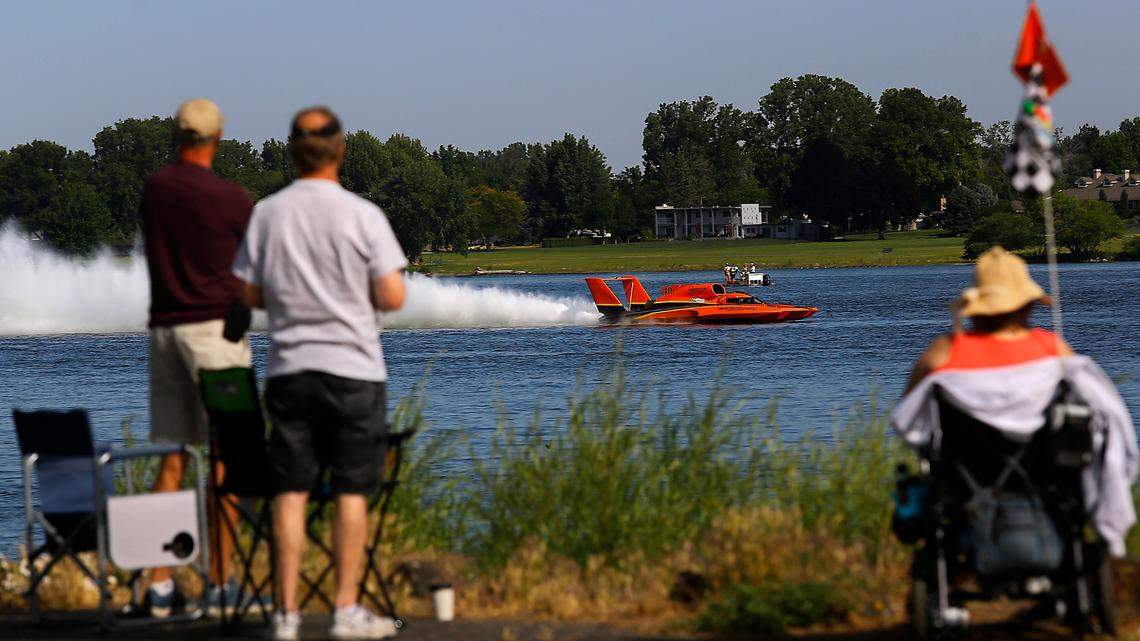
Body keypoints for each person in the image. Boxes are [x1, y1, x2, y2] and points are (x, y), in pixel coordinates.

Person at [233, 106, 408, 640]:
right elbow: (392, 295)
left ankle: (285, 616)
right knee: (352, 490)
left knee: (290, 490)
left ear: (291, 151)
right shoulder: (363, 215)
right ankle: (345, 609)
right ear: (341, 151)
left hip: (289, 370)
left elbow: (247, 293)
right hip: (353, 369)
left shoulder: (266, 213)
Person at [893, 246, 1137, 556]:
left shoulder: (944, 352)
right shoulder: (1053, 350)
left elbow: (907, 419)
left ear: (977, 305)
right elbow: (1107, 414)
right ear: (1026, 305)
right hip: (1046, 470)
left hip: (967, 474)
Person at [142, 98, 254, 616]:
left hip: (164, 334)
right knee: (228, 458)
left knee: (172, 457)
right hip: (215, 336)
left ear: (176, 135)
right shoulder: (232, 199)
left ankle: (159, 584)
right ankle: (220, 582)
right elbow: (249, 273)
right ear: (218, 137)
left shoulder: (155, 190)